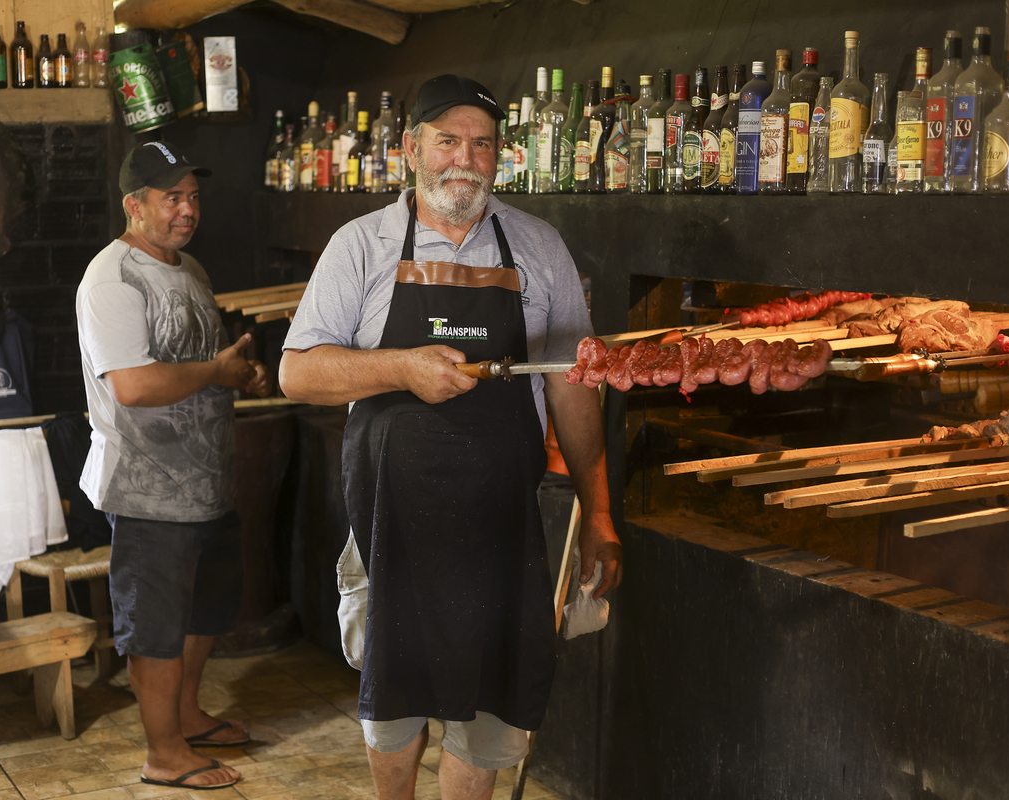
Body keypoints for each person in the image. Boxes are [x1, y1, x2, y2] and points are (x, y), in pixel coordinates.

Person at [279, 75, 623, 800]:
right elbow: (297, 373)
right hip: (392, 524)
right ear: (412, 149)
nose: (465, 159)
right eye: (447, 141)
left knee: (494, 705)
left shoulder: (538, 247)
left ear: (500, 154)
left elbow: (573, 386)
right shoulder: (362, 245)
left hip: (500, 526)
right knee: (396, 696)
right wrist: (401, 367)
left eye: (482, 144)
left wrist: (598, 512)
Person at [76, 141, 271, 791]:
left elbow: (199, 361)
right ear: (134, 205)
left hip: (205, 480)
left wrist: (239, 375)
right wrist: (216, 371)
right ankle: (163, 755)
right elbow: (133, 386)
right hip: (147, 486)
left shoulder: (191, 269)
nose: (187, 210)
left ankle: (185, 717)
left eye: (193, 197)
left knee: (205, 611)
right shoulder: (113, 278)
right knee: (156, 627)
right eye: (172, 198)